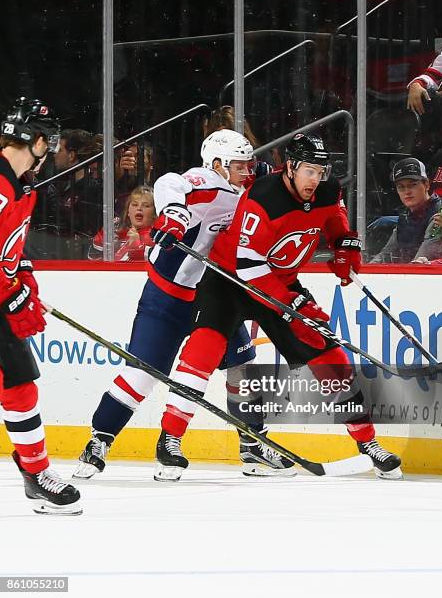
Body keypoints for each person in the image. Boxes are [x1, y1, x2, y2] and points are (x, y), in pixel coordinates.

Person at [156, 133, 402, 481]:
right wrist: (292, 305)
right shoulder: (264, 196)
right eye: (308, 171)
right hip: (229, 282)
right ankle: (170, 440)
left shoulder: (328, 191)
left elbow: (335, 219)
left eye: (321, 171)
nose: (315, 179)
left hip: (280, 282)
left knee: (327, 354)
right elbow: (249, 266)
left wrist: (345, 247)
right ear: (291, 167)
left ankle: (368, 442)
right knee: (203, 351)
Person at [73, 129, 294, 481]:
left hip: (211, 293)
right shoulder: (205, 181)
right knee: (145, 372)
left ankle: (252, 443)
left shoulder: (245, 185)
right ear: (218, 165)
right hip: (169, 294)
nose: (247, 171)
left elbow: (273, 177)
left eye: (248, 164)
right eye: (239, 165)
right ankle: (100, 439)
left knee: (244, 366)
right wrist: (175, 214)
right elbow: (169, 181)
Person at [0, 97, 81, 515]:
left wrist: (24, 281)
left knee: (18, 386)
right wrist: (14, 297)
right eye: (47, 140)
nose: (50, 148)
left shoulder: (24, 186)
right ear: (33, 139)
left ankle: (35, 472)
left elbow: (11, 252)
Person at [370, 158, 442, 263]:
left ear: (426, 184)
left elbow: (422, 258)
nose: (407, 192)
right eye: (401, 187)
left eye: (412, 185)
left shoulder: (440, 213)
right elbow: (386, 254)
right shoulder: (406, 215)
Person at [88, 185, 156, 261]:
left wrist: (137, 246)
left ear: (154, 214)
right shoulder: (118, 231)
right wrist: (105, 234)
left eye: (146, 206)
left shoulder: (156, 237)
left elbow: (158, 264)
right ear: (128, 212)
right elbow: (93, 257)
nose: (139, 208)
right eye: (135, 204)